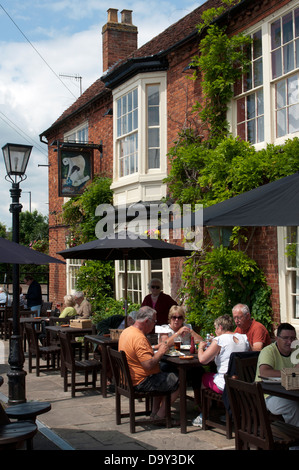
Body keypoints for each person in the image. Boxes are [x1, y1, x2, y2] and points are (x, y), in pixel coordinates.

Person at [118, 306, 179, 421]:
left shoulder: (127, 331)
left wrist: (155, 348)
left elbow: (138, 352)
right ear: (146, 321)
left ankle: (154, 412)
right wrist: (160, 352)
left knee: (163, 372)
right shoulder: (139, 338)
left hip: (127, 379)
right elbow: (148, 365)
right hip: (140, 381)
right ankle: (160, 416)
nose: (154, 325)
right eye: (154, 321)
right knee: (179, 380)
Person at [192, 314, 250, 427]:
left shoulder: (220, 340)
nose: (215, 330)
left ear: (220, 327)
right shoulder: (244, 338)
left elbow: (203, 360)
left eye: (215, 327)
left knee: (204, 377)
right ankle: (227, 411)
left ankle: (203, 414)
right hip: (242, 381)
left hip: (226, 383)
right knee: (213, 375)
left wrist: (200, 348)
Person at [157, 305, 204, 407]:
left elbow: (201, 341)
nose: (177, 320)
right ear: (170, 318)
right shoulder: (165, 328)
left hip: (185, 361)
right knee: (177, 376)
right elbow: (164, 344)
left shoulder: (187, 327)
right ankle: (163, 407)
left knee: (199, 371)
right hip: (168, 362)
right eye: (174, 317)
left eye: (180, 317)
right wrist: (177, 333)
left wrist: (191, 332)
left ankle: (198, 403)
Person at [255, 323, 299, 426]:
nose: (290, 342)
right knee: (293, 407)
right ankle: (296, 437)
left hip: (291, 392)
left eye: (293, 338)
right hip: (269, 395)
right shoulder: (268, 351)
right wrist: (290, 372)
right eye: (285, 338)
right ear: (277, 338)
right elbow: (264, 372)